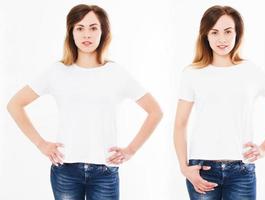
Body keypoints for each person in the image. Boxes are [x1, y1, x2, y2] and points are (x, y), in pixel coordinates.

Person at [6, 4, 163, 200]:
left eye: (93, 28)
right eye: (80, 28)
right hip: (66, 171)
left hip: (105, 172)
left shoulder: (116, 73)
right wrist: (41, 144)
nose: (86, 34)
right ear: (71, 32)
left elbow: (155, 111)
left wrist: (131, 150)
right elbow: (14, 104)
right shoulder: (57, 71)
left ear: (103, 32)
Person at [173, 5, 265, 200]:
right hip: (202, 169)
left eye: (228, 31)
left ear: (237, 33)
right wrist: (184, 168)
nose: (222, 39)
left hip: (241, 172)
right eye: (215, 32)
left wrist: (264, 148)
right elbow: (180, 124)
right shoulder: (192, 73)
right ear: (206, 35)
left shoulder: (250, 71)